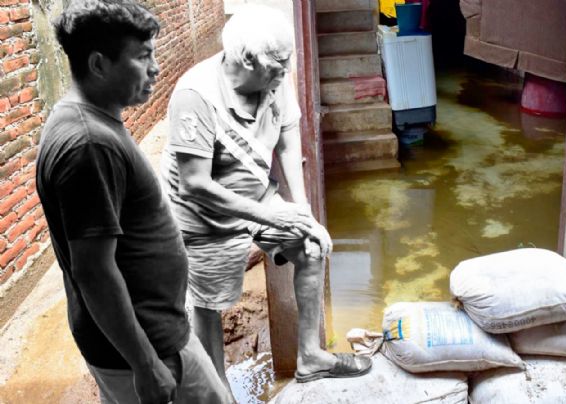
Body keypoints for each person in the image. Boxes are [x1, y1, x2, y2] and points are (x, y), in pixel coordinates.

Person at [161, 4, 372, 386]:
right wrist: (275, 217)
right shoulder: (195, 97)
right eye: (278, 64)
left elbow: (290, 142)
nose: (285, 71)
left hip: (258, 196)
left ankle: (310, 356)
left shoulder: (275, 79)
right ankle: (217, 391)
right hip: (205, 217)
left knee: (310, 246)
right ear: (247, 59)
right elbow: (194, 184)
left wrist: (302, 212)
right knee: (210, 306)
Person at [36, 0, 234, 402]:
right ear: (98, 65)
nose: (156, 68)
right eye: (143, 57)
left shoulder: (86, 122)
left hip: (153, 336)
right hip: (152, 347)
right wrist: (145, 364)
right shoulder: (89, 145)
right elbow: (93, 271)